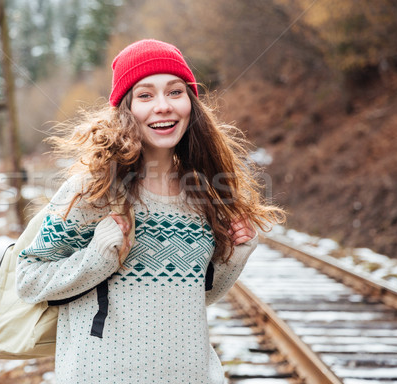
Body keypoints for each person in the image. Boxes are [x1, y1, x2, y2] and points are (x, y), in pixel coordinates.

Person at [16, 39, 285, 383]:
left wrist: (234, 256)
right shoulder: (93, 191)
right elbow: (28, 278)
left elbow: (194, 297)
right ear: (125, 109)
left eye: (175, 92)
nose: (163, 106)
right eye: (145, 95)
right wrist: (98, 257)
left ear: (191, 102)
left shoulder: (203, 193)